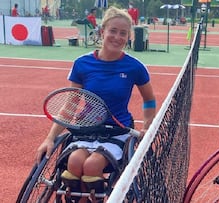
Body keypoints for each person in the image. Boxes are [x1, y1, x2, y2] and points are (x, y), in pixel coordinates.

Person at [35, 6, 156, 202]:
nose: (117, 37)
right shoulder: (82, 64)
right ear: (102, 32)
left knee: (91, 166)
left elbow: (149, 100)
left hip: (117, 131)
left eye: (123, 33)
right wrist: (49, 138)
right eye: (113, 31)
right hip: (86, 130)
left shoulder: (135, 67)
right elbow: (71, 105)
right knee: (74, 162)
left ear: (129, 36)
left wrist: (147, 128)